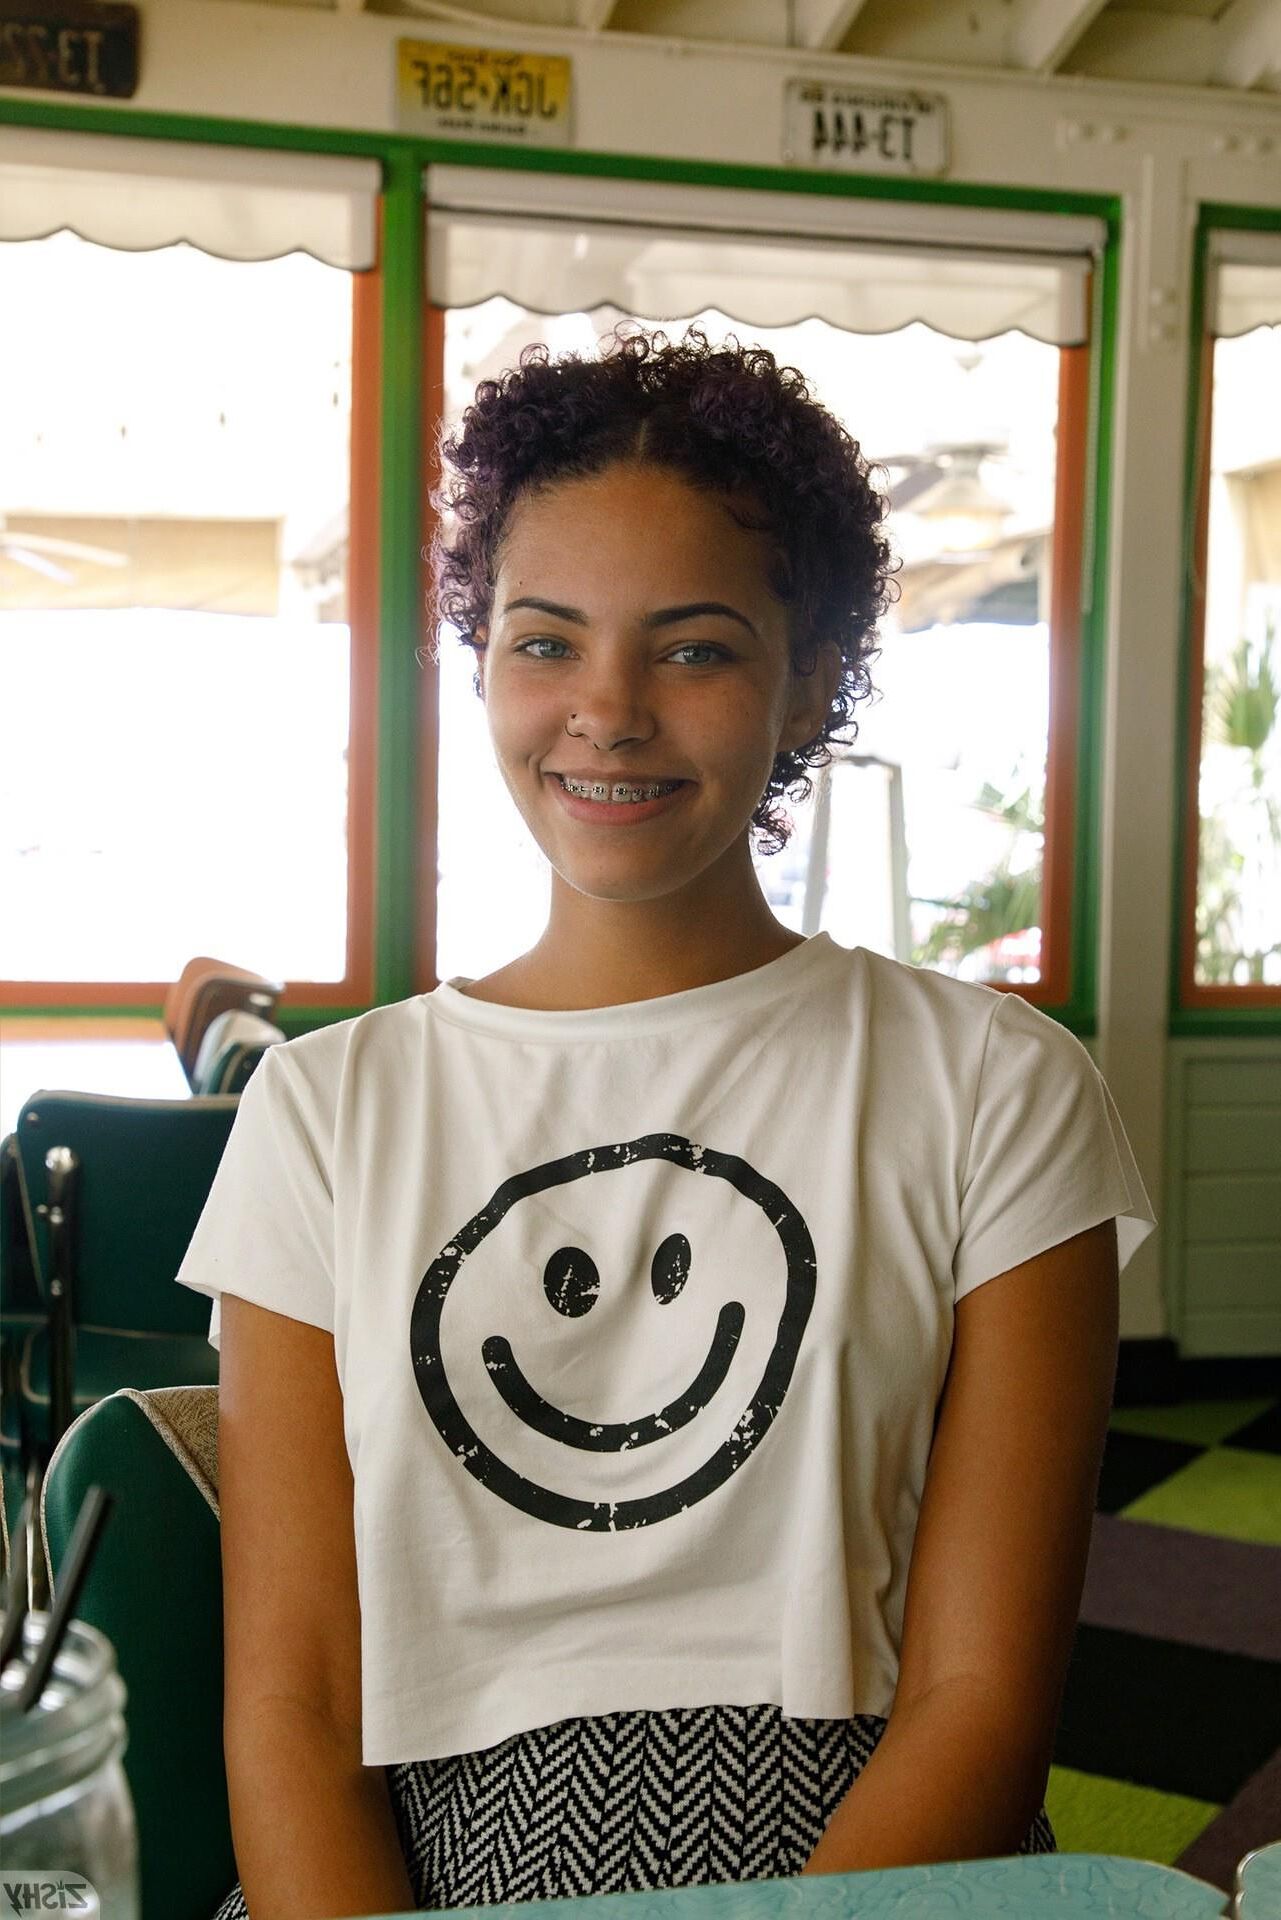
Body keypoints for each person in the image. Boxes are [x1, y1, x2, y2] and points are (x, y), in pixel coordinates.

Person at [178, 325, 1157, 1917]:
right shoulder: (326, 1108)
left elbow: (980, 1703)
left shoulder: (992, 1083)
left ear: (810, 680)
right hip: (414, 1869)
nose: (607, 712)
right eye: (543, 643)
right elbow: (292, 1702)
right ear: (479, 662)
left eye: (693, 649)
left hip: (863, 1861)